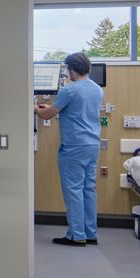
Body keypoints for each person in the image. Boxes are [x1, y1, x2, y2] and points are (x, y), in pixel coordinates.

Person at [34, 52, 104, 246]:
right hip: (92, 145)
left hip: (74, 147)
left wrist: (34, 108)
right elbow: (72, 109)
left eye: (66, 69)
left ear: (71, 69)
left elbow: (47, 115)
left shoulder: (69, 90)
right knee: (88, 190)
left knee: (73, 190)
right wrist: (50, 107)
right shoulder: (97, 89)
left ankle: (76, 235)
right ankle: (90, 233)